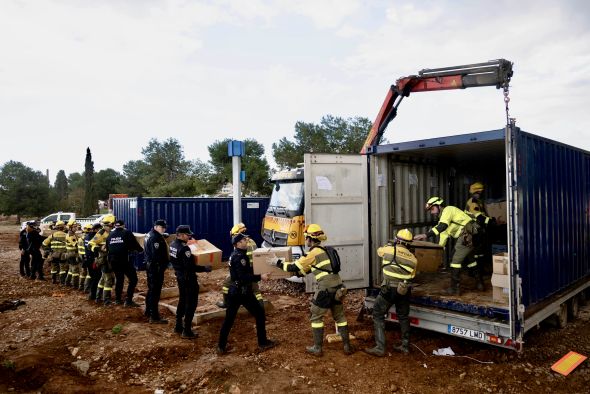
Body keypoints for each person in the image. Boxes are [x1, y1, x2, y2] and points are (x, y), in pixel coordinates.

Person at [273, 224, 352, 356]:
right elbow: (305, 270)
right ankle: (347, 346)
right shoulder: (325, 251)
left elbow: (293, 266)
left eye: (306, 238)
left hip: (325, 290)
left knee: (315, 317)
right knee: (340, 317)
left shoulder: (313, 253)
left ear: (310, 239)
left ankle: (317, 348)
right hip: (339, 288)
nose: (305, 241)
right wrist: (296, 274)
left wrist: (277, 262)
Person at [218, 233, 276, 353]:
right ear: (238, 243)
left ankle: (221, 347)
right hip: (242, 293)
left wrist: (261, 271)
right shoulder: (240, 257)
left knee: (229, 319)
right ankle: (263, 342)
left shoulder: (236, 255)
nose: (246, 241)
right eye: (244, 240)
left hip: (235, 292)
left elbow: (247, 270)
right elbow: (243, 277)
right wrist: (260, 276)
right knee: (259, 313)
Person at [414, 196, 483, 295]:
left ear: (439, 206)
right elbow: (443, 238)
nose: (432, 212)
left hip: (468, 233)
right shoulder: (443, 219)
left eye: (432, 209)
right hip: (469, 235)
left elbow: (442, 226)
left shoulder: (448, 210)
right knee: (470, 258)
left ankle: (455, 289)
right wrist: (437, 253)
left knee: (454, 260)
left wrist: (425, 235)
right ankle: (480, 283)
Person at [365, 229, 418, 356]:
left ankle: (380, 347)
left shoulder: (388, 250)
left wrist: (390, 245)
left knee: (377, 314)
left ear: (397, 240)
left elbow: (379, 251)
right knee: (403, 316)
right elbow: (412, 276)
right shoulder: (413, 259)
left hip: (388, 289)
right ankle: (405, 346)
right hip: (404, 290)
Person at [170, 225, 212, 338]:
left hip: (180, 277)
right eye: (188, 235)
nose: (189, 237)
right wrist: (204, 268)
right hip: (188, 279)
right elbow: (190, 267)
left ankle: (178, 325)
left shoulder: (173, 245)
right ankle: (187, 330)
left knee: (182, 300)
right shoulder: (184, 249)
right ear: (182, 235)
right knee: (191, 304)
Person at [217, 223, 263, 309]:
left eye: (234, 236)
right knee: (255, 290)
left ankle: (226, 303)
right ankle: (261, 310)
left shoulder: (243, 244)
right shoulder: (251, 241)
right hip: (254, 270)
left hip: (247, 272)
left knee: (226, 283)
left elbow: (242, 261)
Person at [107, 219, 144, 307]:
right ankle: (128, 301)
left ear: (115, 226)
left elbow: (108, 247)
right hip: (124, 260)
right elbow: (134, 244)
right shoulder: (126, 232)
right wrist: (140, 250)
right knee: (133, 279)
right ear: (123, 225)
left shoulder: (110, 234)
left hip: (113, 261)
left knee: (119, 280)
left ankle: (117, 300)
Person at [144, 219, 170, 324]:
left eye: (165, 227)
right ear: (156, 227)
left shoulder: (150, 234)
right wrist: (164, 265)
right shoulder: (156, 238)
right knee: (155, 292)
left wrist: (162, 236)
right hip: (156, 268)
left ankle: (148, 311)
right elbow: (156, 255)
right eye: (162, 227)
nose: (164, 229)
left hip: (150, 266)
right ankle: (154, 316)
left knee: (151, 289)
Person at [465, 182, 493, 274]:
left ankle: (478, 270)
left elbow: (483, 215)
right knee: (475, 252)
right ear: (473, 193)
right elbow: (479, 217)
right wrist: (492, 221)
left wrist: (490, 219)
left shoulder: (478, 202)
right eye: (478, 193)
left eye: (480, 193)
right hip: (472, 230)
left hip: (477, 229)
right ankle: (474, 271)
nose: (479, 194)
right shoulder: (473, 203)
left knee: (479, 252)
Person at [89, 215, 116, 305]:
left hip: (109, 259)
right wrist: (99, 249)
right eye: (111, 225)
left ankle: (98, 297)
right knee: (108, 279)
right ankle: (106, 300)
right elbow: (90, 244)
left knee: (103, 278)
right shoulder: (101, 233)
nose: (111, 227)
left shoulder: (110, 232)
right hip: (104, 260)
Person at [83, 223, 102, 299]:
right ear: (96, 229)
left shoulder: (87, 236)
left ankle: (92, 293)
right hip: (93, 259)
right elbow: (93, 249)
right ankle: (93, 295)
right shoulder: (94, 237)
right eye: (99, 229)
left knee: (92, 277)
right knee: (96, 277)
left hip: (88, 259)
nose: (101, 231)